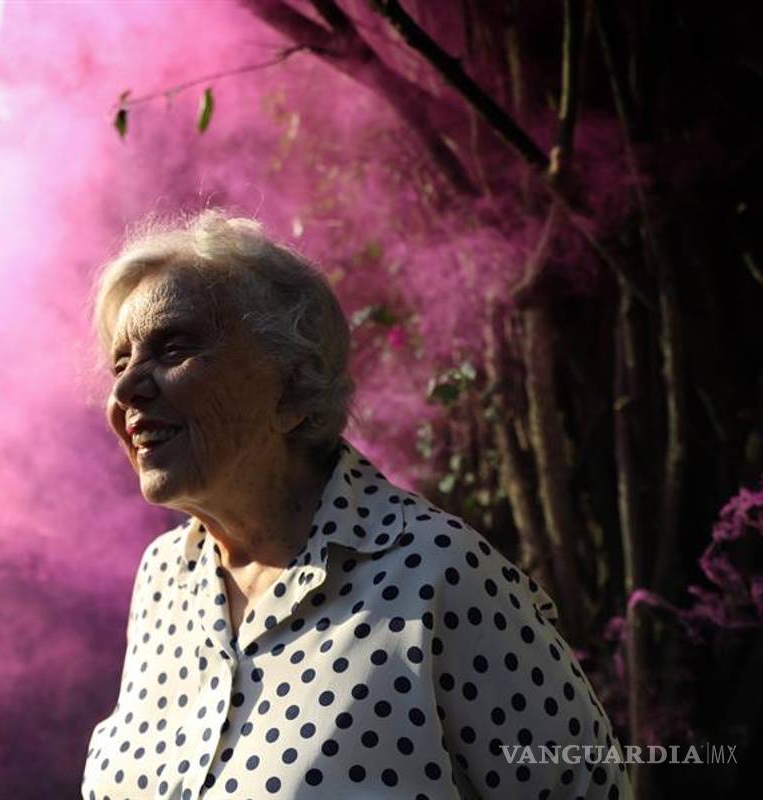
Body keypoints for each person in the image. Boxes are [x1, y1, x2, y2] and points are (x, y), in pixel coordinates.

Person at [81, 209, 632, 799]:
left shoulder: (437, 573)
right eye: (120, 363)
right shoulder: (165, 577)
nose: (126, 389)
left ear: (291, 389)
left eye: (172, 349)